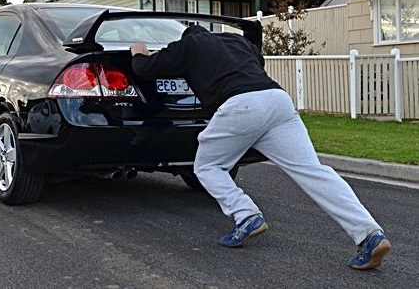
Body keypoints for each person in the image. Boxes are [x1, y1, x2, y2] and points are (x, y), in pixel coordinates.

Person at [130, 24, 391, 270]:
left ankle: (245, 215)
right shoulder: (239, 41)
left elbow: (146, 68)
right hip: (278, 101)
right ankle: (369, 235)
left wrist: (138, 50)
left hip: (239, 105)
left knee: (207, 166)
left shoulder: (190, 44)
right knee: (313, 171)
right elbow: (257, 64)